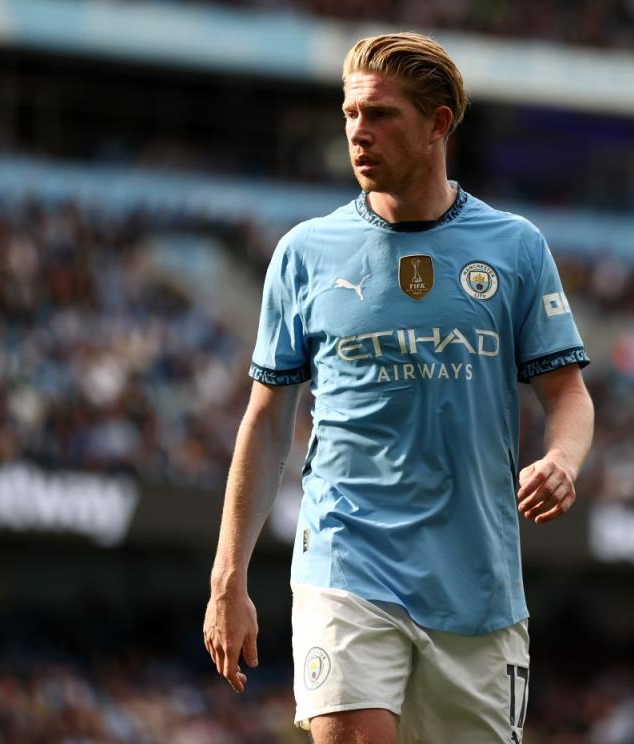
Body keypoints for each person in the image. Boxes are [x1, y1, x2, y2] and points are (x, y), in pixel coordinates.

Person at [203, 32, 594, 743]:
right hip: (345, 562)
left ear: (438, 123)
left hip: (478, 590)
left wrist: (563, 460)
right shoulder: (303, 255)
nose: (359, 131)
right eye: (351, 113)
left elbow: (567, 394)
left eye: (381, 115)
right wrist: (228, 577)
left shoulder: (514, 248)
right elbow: (265, 422)